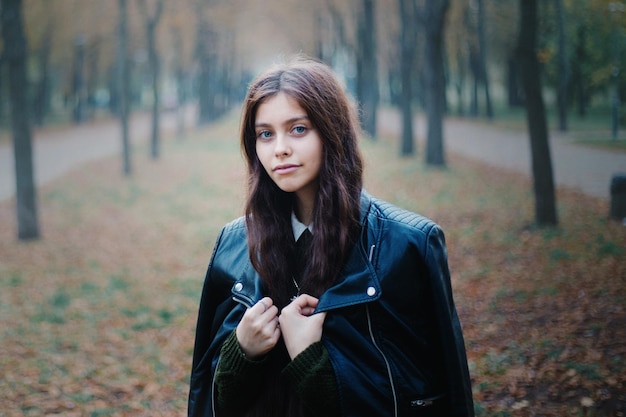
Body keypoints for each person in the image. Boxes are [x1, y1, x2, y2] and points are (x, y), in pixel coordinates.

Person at [188, 56, 474, 417]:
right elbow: (208, 400)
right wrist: (241, 351)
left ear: (332, 130)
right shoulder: (231, 247)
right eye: (265, 134)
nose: (279, 149)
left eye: (298, 129)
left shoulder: (409, 246)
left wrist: (312, 362)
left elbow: (439, 396)